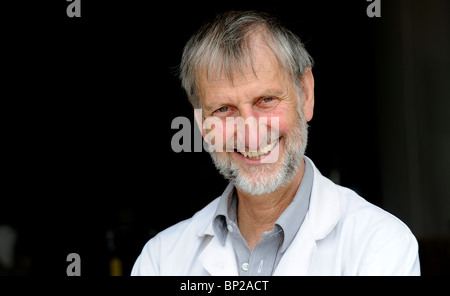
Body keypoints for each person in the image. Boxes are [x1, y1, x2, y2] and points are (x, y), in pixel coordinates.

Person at [131, 10, 420, 276]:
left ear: (305, 94)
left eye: (266, 100)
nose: (250, 134)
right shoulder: (161, 260)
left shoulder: (380, 245)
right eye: (223, 109)